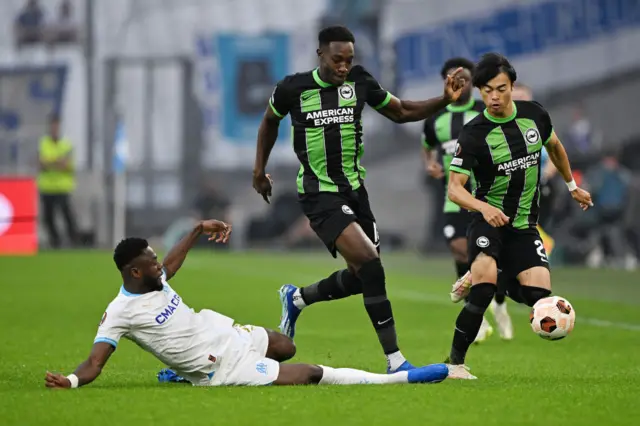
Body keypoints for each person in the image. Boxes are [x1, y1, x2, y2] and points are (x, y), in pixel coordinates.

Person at [252, 25, 467, 375]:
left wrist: (444, 100)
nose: (343, 67)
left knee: (363, 276)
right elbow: (268, 124)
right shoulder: (292, 88)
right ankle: (395, 361)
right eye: (337, 59)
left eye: (349, 60)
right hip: (319, 192)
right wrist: (258, 171)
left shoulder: (360, 81)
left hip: (355, 192)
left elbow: (401, 111)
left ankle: (297, 298)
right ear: (320, 54)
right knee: (371, 263)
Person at [44, 219, 451, 389]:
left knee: (286, 346)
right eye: (149, 261)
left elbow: (171, 262)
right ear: (134, 272)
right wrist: (72, 380)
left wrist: (199, 229)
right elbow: (96, 361)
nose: (157, 263)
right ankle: (396, 380)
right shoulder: (119, 313)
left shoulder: (155, 277)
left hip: (224, 332)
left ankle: (181, 372)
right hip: (219, 365)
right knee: (307, 373)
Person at [442, 53, 593, 378]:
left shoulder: (534, 115)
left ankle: (485, 273)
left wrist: (571, 186)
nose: (494, 97)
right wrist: (484, 207)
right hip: (486, 221)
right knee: (484, 290)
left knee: (538, 298)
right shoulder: (473, 133)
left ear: (512, 86)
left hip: (524, 225)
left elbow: (555, 147)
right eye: (486, 91)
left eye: (500, 89)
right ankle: (454, 364)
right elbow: (455, 188)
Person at [422, 57, 512, 343]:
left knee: (492, 254)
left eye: (466, 80)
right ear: (446, 82)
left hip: (489, 192)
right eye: (454, 80)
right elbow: (427, 147)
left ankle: (498, 303)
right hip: (456, 197)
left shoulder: (486, 111)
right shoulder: (436, 119)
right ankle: (478, 315)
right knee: (460, 249)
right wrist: (431, 163)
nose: (461, 84)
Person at [38, 113, 79, 248]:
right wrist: (57, 162)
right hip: (47, 186)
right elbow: (41, 163)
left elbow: (66, 164)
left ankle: (74, 240)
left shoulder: (66, 144)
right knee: (48, 217)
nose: (54, 129)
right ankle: (55, 241)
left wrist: (51, 162)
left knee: (67, 215)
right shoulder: (44, 143)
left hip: (62, 186)